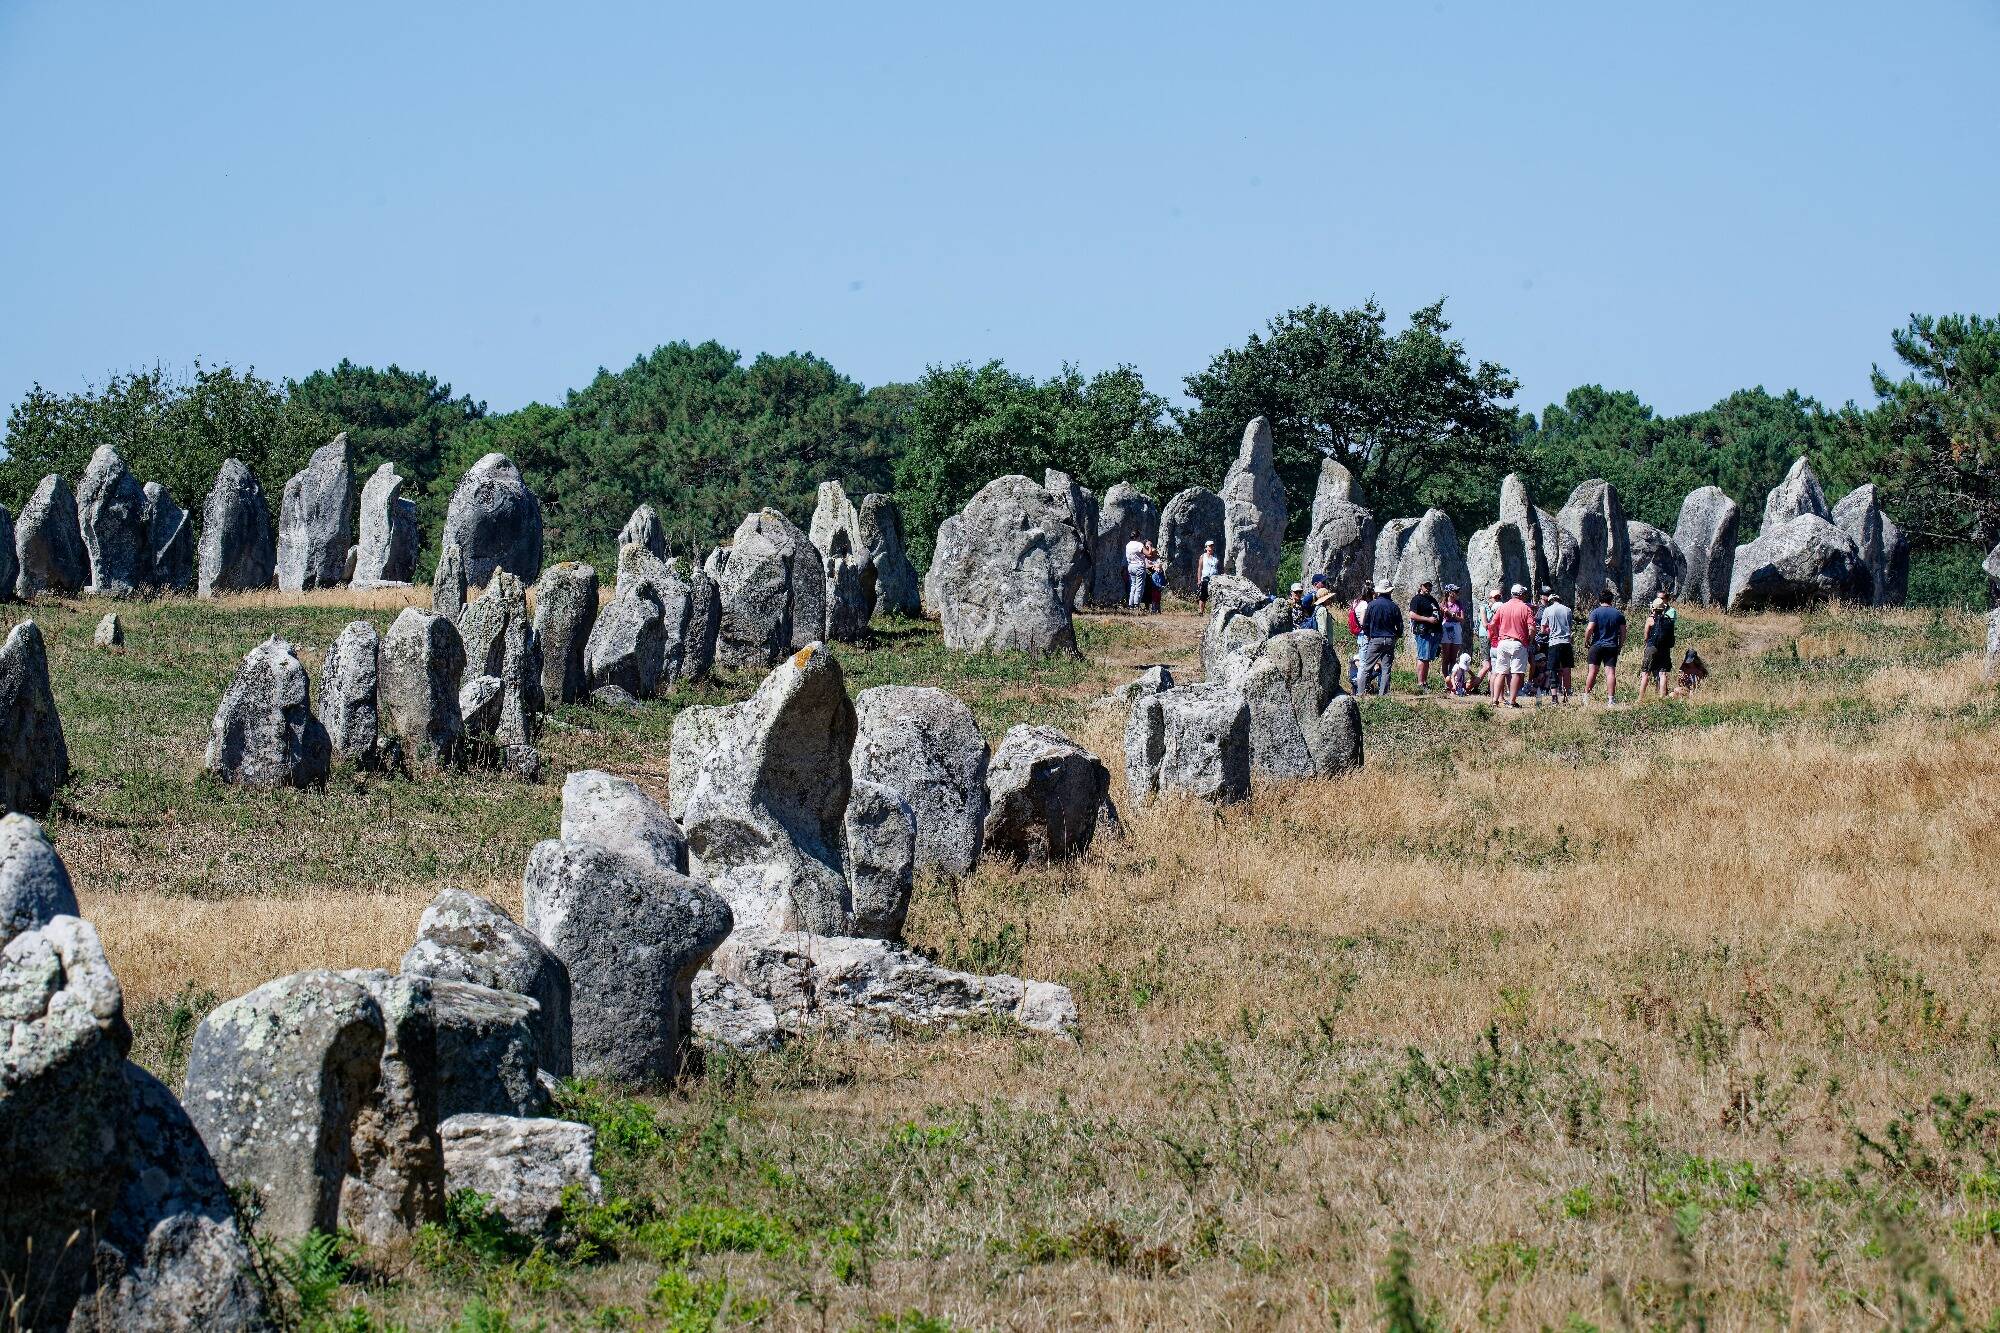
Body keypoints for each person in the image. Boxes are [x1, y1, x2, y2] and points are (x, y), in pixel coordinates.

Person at [1487, 583, 1536, 708]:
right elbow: (1532, 628)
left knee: (1500, 672)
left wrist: (1497, 637)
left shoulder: (1503, 607)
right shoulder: (1526, 608)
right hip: (1518, 643)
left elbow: (1492, 624)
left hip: (1502, 643)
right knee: (1516, 673)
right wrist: (1529, 641)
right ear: (1521, 594)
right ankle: (1512, 701)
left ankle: (1494, 700)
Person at [1580, 588, 1627, 705]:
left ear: (1599, 599)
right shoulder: (1618, 614)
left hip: (1596, 645)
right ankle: (1611, 700)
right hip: (1611, 645)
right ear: (1611, 600)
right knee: (1610, 673)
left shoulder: (1595, 612)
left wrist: (1586, 641)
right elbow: (1623, 632)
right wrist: (1620, 645)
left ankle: (1586, 697)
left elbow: (1590, 628)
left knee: (1592, 672)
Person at [1357, 580, 1402, 696]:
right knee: (1386, 668)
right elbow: (1400, 626)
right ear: (1389, 592)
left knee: (1367, 667)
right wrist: (1396, 636)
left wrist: (1368, 635)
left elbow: (1365, 624)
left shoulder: (1372, 605)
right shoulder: (1394, 606)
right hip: (1389, 639)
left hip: (1375, 639)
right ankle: (1383, 695)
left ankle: (1360, 693)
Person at [1636, 594, 1677, 700]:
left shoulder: (1650, 619)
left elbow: (1646, 636)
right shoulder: (1668, 619)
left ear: (1653, 608)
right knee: (1662, 673)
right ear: (1663, 608)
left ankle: (1640, 698)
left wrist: (1647, 645)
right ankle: (1662, 697)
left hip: (1652, 647)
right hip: (1665, 648)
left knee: (1645, 673)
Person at [1538, 588, 1574, 702]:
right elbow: (1569, 626)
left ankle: (1554, 698)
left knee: (1553, 669)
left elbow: (1543, 629)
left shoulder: (1547, 610)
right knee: (1566, 669)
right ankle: (1567, 695)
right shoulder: (1567, 610)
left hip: (1554, 642)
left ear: (1550, 600)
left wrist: (1551, 630)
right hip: (1566, 642)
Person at [1408, 579, 1442, 693]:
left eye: (1430, 586)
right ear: (1421, 586)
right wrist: (1427, 619)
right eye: (1426, 586)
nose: (1428, 588)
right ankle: (1420, 683)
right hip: (1424, 632)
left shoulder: (1432, 599)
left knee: (1428, 659)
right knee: (1423, 657)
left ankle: (1424, 682)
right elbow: (1412, 615)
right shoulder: (1417, 599)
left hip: (1434, 632)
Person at [1440, 583, 1466, 675]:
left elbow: (1462, 619)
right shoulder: (1443, 604)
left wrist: (1453, 615)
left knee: (1453, 656)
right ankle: (1445, 677)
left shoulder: (1459, 604)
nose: (1458, 593)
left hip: (1456, 627)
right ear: (1450, 593)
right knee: (1446, 656)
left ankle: (1452, 677)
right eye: (1456, 591)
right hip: (1446, 627)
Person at [1309, 574, 1339, 639]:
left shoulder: (1319, 608)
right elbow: (1322, 630)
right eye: (1329, 598)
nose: (1330, 600)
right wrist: (1325, 644)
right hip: (1326, 644)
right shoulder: (1322, 610)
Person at [1196, 540, 1220, 612]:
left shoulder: (1216, 557)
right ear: (1206, 547)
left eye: (1212, 546)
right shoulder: (1203, 556)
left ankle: (1214, 612)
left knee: (1215, 596)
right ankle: (1201, 611)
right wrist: (1199, 579)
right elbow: (1200, 568)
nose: (1211, 547)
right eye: (1209, 546)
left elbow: (1219, 568)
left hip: (1215, 579)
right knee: (1203, 596)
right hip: (1205, 578)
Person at [1124, 535, 1147, 610]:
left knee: (1133, 586)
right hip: (1139, 566)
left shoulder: (1128, 545)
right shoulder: (1139, 544)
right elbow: (1148, 553)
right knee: (1139, 586)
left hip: (1130, 566)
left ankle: (1130, 605)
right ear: (1138, 537)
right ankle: (1136, 604)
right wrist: (1149, 546)